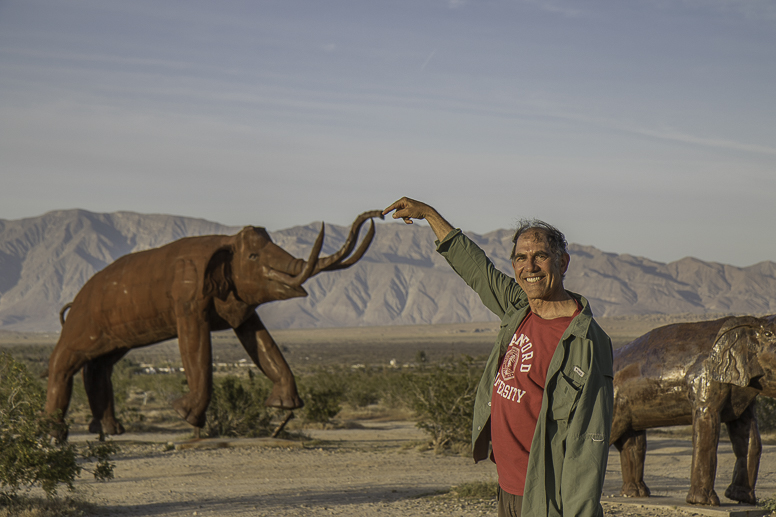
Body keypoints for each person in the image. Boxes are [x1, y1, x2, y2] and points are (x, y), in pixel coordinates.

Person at [383, 197, 613, 517]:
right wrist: (430, 215)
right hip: (508, 486)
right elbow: (477, 269)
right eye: (520, 258)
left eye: (540, 256)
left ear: (562, 263)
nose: (529, 267)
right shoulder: (520, 308)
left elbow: (590, 441)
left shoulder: (586, 342)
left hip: (546, 496)